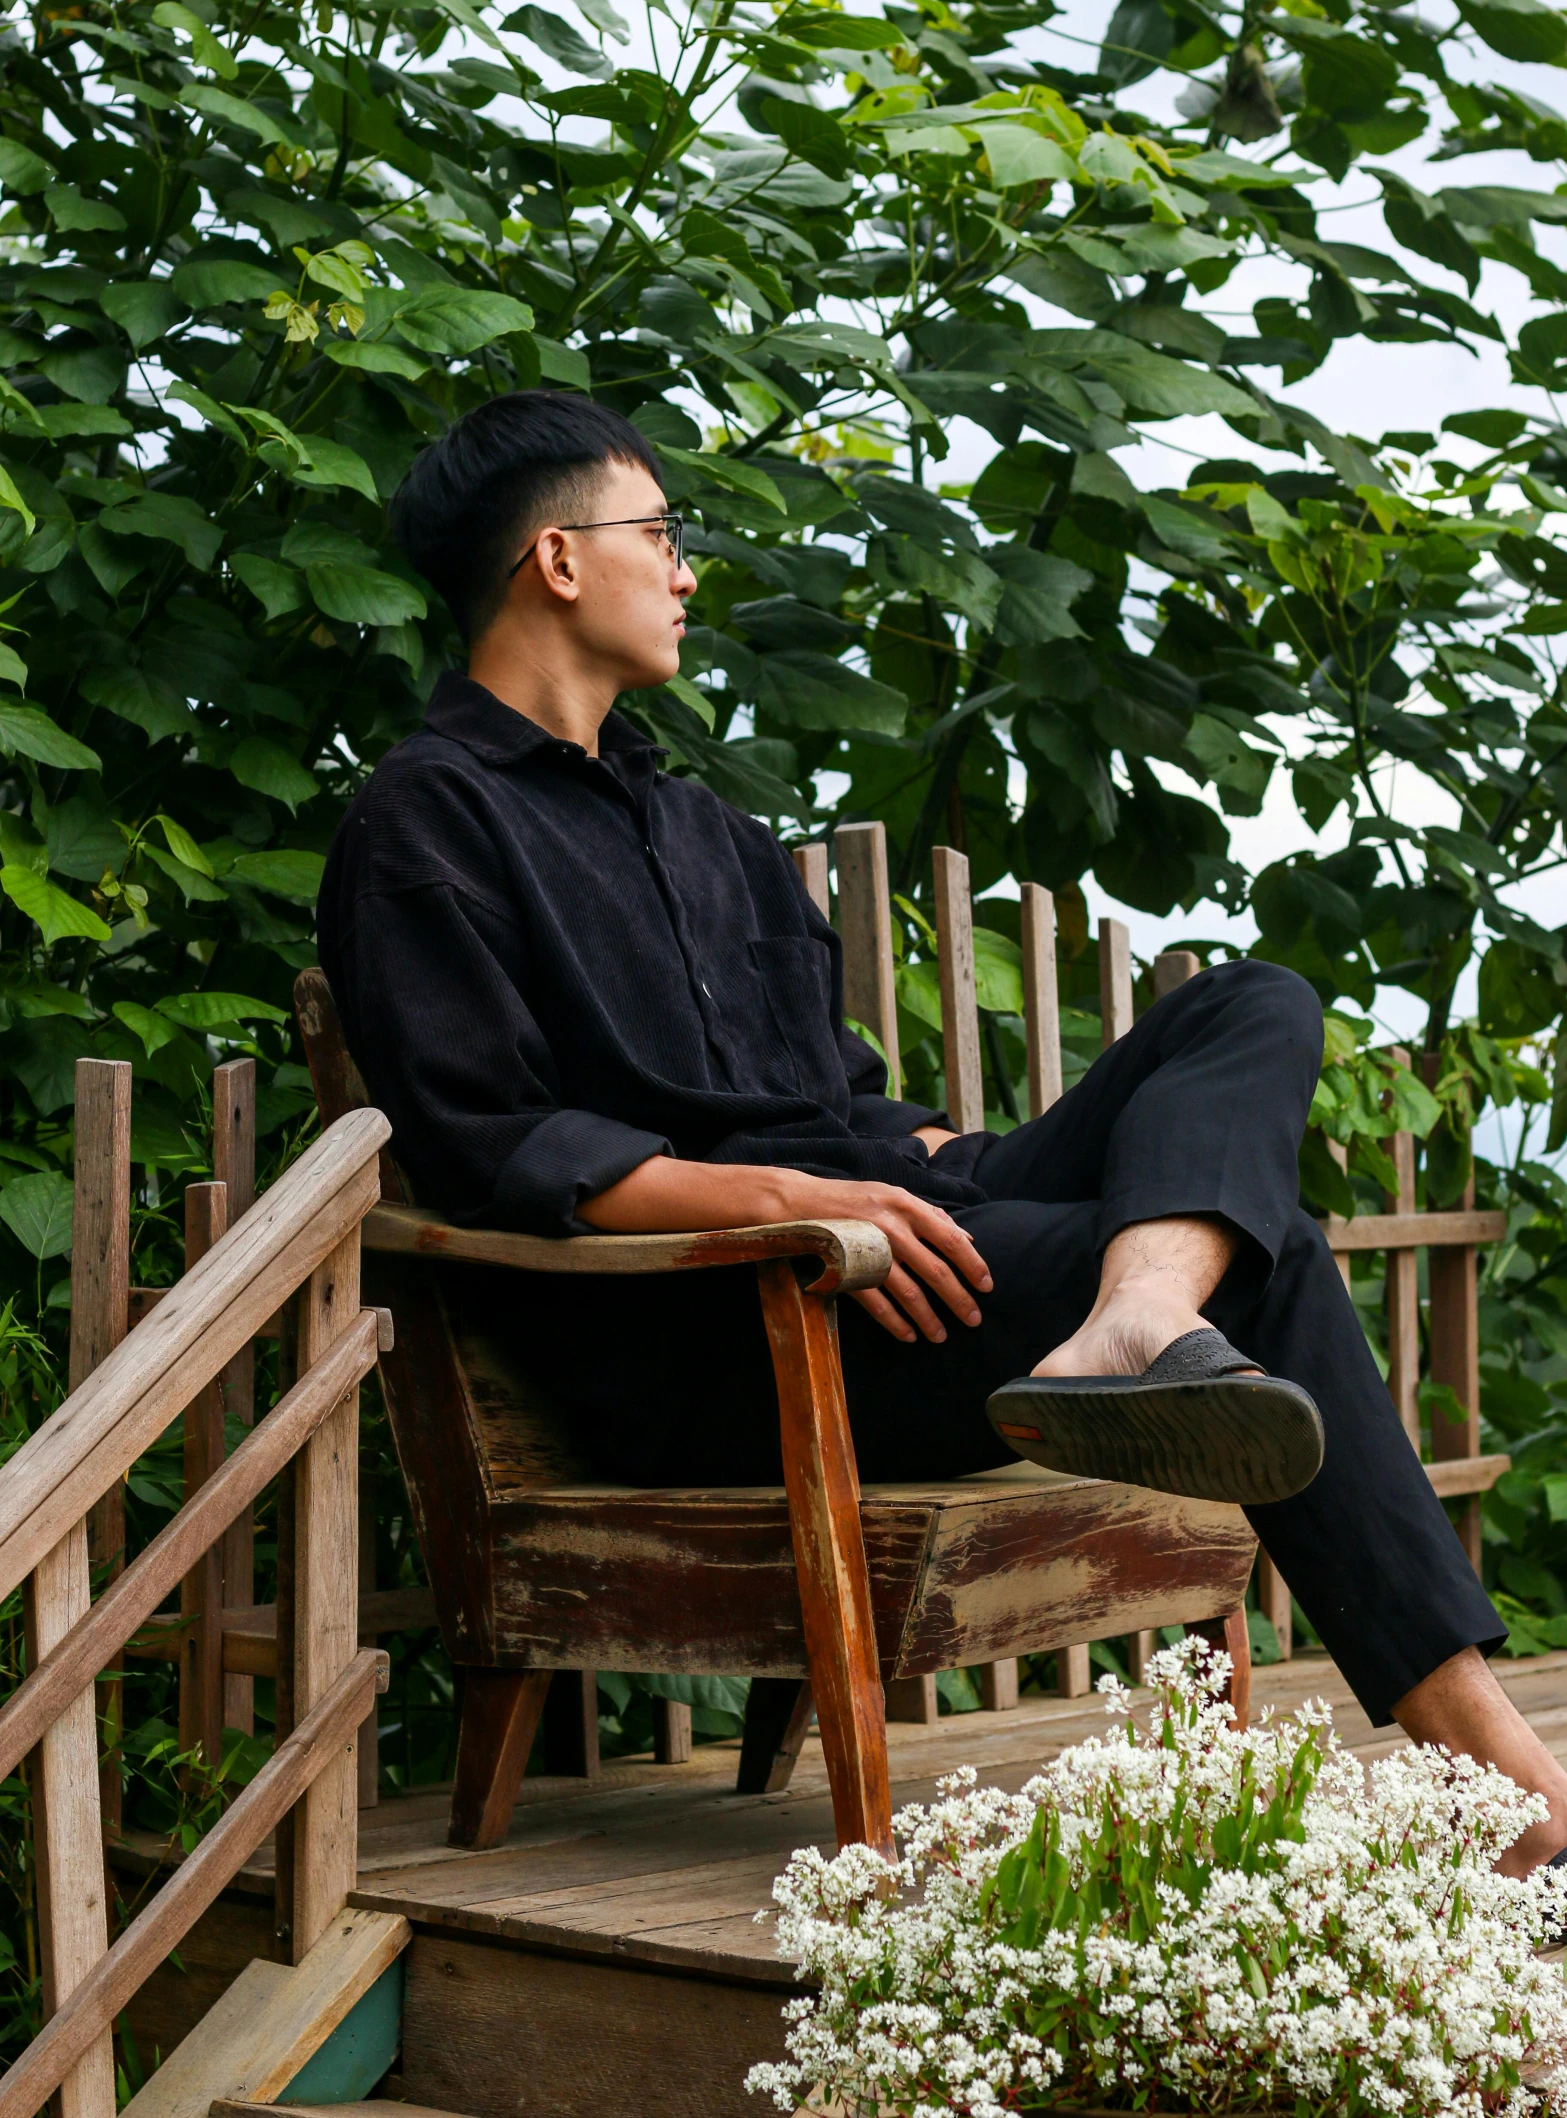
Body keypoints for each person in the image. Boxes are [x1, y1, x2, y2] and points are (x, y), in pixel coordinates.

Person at [318, 389, 1567, 1877]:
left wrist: (909, 1152)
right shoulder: (424, 825)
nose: (686, 568)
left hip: (877, 1238)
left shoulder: (706, 830)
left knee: (1249, 998)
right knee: (1271, 1253)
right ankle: (1516, 1795)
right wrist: (793, 1196)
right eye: (660, 533)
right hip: (722, 1324)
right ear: (558, 560)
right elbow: (496, 1144)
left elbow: (832, 1085)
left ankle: (1138, 1313)